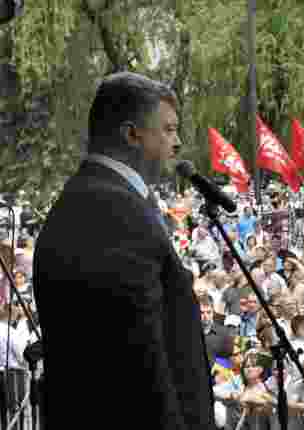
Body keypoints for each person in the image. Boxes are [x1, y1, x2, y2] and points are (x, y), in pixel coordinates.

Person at [33, 72, 214, 429]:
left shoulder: (96, 197)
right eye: (168, 129)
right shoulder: (114, 210)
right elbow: (143, 364)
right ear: (132, 134)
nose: (177, 143)